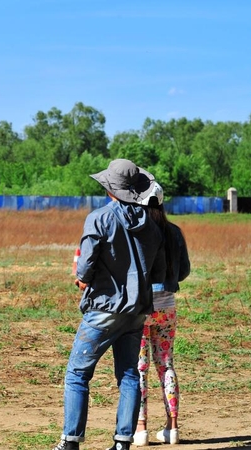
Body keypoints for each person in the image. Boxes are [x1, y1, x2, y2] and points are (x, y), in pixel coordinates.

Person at [53, 159, 167, 450]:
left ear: (110, 188)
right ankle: (122, 442)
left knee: (77, 373)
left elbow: (84, 269)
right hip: (137, 312)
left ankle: (70, 442)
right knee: (129, 374)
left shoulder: (99, 218)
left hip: (104, 308)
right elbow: (158, 273)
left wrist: (83, 278)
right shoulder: (153, 227)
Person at [132, 183, 191, 446]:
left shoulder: (138, 233)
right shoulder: (174, 232)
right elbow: (184, 271)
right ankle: (173, 427)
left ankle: (141, 428)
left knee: (139, 368)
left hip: (141, 307)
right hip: (167, 306)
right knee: (165, 364)